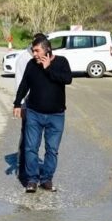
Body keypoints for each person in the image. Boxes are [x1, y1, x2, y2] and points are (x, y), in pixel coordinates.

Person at [13, 36, 72, 193]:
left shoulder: (61, 62)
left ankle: (46, 179)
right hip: (34, 113)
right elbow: (24, 84)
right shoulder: (31, 65)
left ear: (47, 49)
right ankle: (32, 180)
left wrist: (48, 69)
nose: (34, 54)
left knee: (52, 149)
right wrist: (17, 103)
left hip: (56, 116)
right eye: (33, 51)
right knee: (31, 147)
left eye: (37, 50)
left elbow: (67, 79)